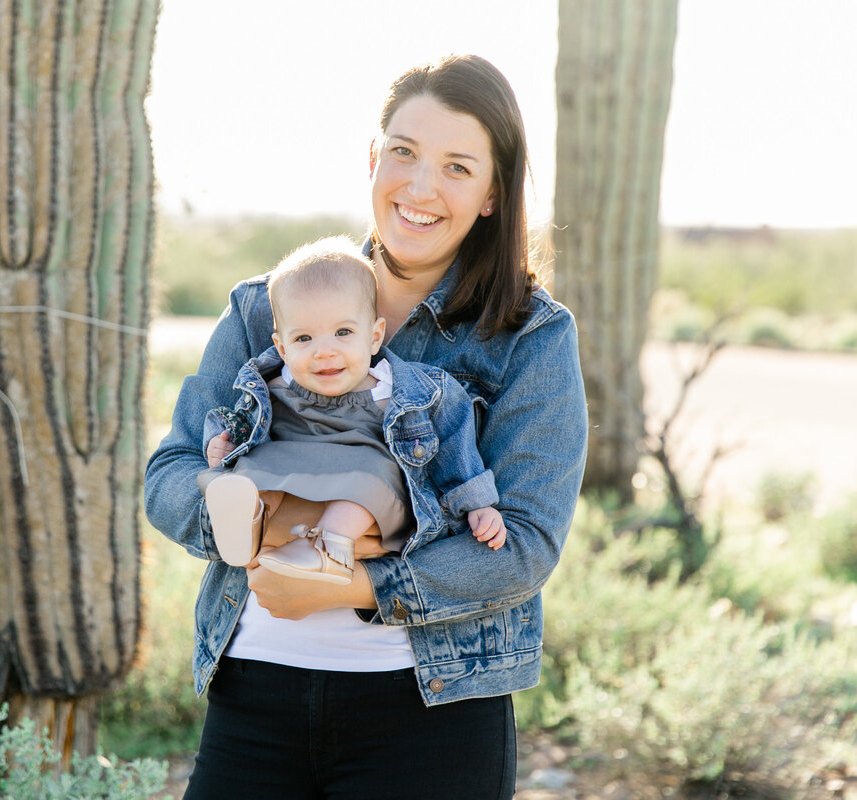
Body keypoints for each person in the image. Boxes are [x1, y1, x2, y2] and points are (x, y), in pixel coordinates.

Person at [145, 53, 587, 799]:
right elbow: (171, 471)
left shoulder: (528, 337)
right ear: (372, 158)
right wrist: (256, 528)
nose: (420, 188)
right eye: (405, 154)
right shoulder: (266, 307)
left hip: (430, 714)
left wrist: (354, 584)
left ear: (490, 195)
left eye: (456, 167)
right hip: (256, 693)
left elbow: (527, 543)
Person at [199, 235, 506, 588]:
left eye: (343, 332)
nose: (324, 352)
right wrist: (220, 445)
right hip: (293, 469)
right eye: (304, 339)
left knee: (375, 479)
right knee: (252, 468)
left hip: (364, 482)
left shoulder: (402, 392)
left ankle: (328, 547)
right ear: (281, 348)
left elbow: (453, 440)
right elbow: (236, 422)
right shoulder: (271, 386)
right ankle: (246, 521)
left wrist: (476, 504)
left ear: (375, 337)